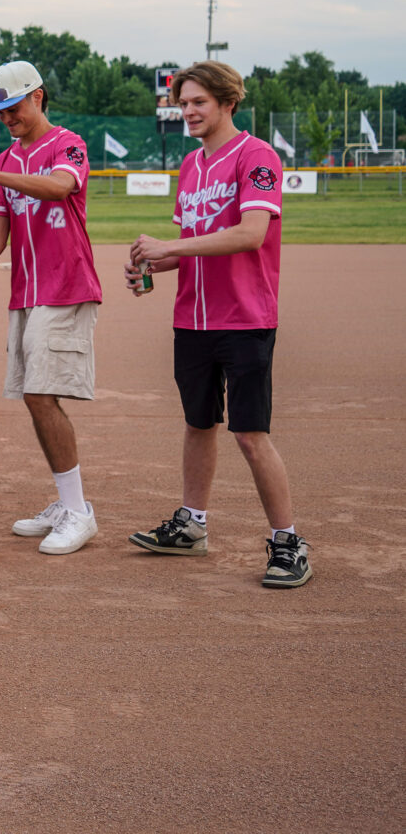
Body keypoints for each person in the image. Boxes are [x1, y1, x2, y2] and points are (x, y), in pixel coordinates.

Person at [125, 61, 310, 588]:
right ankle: (191, 526)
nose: (187, 112)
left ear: (228, 102)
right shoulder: (191, 167)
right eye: (182, 103)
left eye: (198, 102)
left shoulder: (257, 157)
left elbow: (251, 233)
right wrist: (152, 264)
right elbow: (193, 247)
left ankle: (287, 542)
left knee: (250, 435)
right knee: (197, 423)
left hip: (245, 318)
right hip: (193, 319)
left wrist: (171, 246)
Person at [0, 61, 102, 554]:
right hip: (27, 294)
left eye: (11, 108)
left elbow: (60, 187)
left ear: (37, 97)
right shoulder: (3, 161)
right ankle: (67, 502)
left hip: (67, 287)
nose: (6, 119)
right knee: (35, 397)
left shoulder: (67, 143)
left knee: (41, 395)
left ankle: (78, 512)